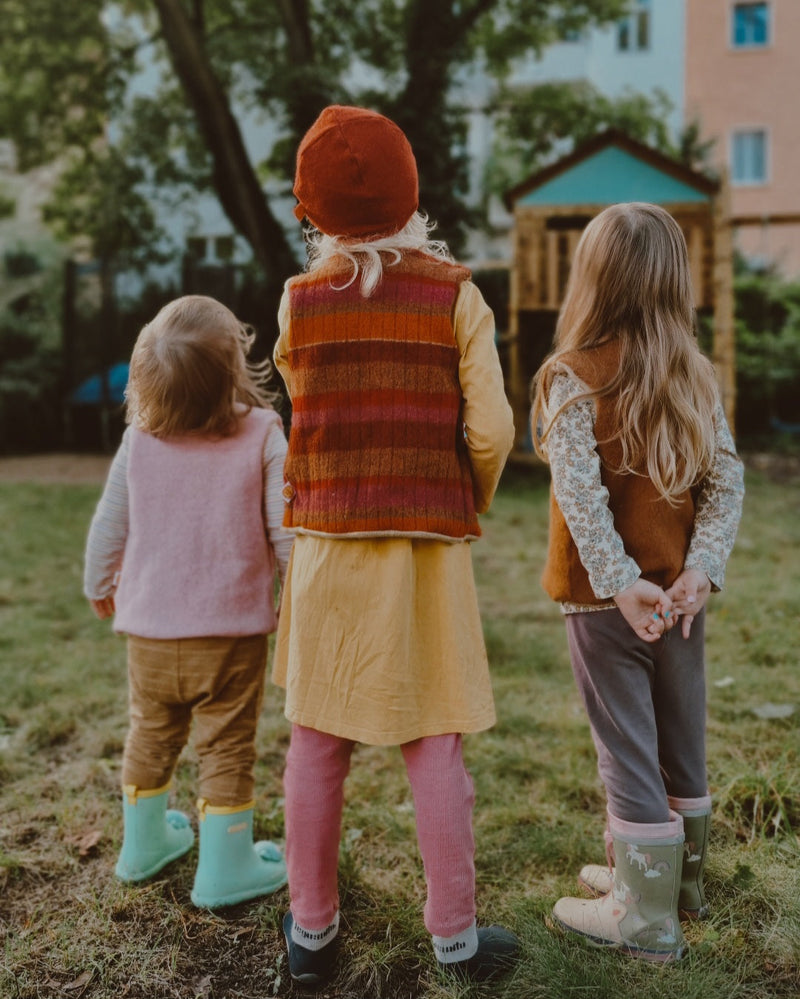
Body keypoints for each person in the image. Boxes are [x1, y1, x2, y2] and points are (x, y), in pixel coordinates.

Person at [272, 104, 520, 986]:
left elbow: (306, 409)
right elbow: (490, 428)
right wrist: (466, 492)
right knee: (435, 745)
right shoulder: (458, 293)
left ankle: (310, 933)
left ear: (313, 214)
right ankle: (454, 937)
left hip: (330, 549)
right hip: (423, 554)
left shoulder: (299, 302)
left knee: (314, 742)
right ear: (414, 194)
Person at [530, 202, 744, 962]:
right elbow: (726, 483)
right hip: (679, 602)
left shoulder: (572, 378)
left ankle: (644, 919)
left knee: (626, 749)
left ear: (590, 281)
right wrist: (700, 570)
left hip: (605, 604)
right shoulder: (694, 375)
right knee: (680, 740)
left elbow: (580, 498)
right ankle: (674, 884)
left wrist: (621, 582)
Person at [84, 295, 293, 909]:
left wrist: (99, 584)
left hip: (149, 633)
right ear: (235, 371)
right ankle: (225, 867)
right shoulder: (261, 433)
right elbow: (286, 534)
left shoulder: (139, 442)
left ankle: (143, 846)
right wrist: (300, 598)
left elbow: (108, 526)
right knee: (226, 746)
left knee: (149, 734)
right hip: (230, 635)